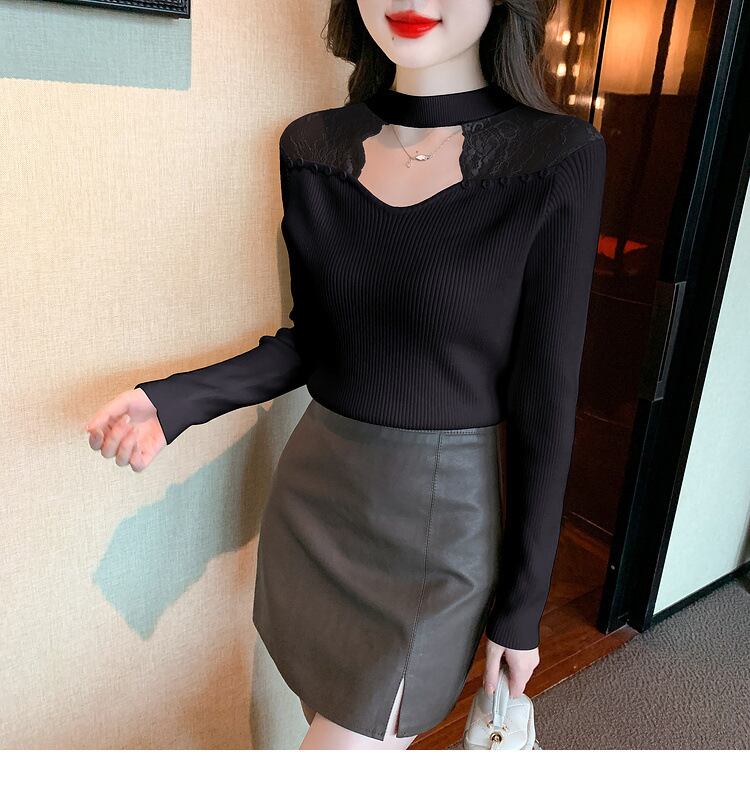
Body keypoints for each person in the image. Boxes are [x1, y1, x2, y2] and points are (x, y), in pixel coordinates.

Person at [85, 0, 606, 750]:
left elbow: (547, 404)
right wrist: (176, 401)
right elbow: (317, 341)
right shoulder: (314, 146)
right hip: (315, 501)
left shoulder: (555, 157)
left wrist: (522, 609)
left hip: (437, 533)